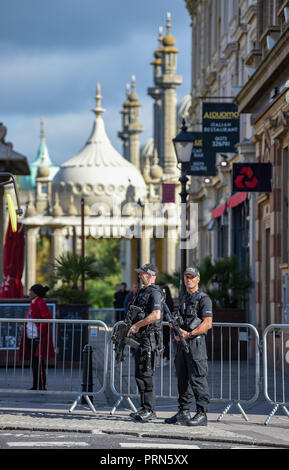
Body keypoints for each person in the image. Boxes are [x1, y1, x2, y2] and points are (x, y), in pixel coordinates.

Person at [165, 267, 212, 426]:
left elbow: (207, 323)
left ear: (198, 279)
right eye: (186, 277)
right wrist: (175, 326)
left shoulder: (204, 299)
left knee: (197, 378)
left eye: (192, 277)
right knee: (182, 379)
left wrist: (190, 335)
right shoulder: (184, 297)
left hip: (195, 344)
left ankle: (201, 414)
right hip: (181, 344)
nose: (189, 280)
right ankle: (183, 412)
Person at [126, 263, 164, 422]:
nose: (140, 276)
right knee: (139, 374)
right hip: (140, 339)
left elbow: (156, 315)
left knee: (147, 375)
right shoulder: (142, 292)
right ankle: (144, 408)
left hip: (149, 339)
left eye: (142, 274)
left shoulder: (155, 293)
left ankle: (150, 409)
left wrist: (137, 325)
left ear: (150, 275)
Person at [19, 284, 55, 390]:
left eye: (31, 291)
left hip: (37, 337)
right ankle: (36, 384)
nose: (29, 293)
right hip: (31, 336)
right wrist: (24, 325)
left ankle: (41, 385)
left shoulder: (40, 302)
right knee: (35, 362)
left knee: (38, 362)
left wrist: (40, 331)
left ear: (35, 293)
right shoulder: (34, 302)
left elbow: (47, 318)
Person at [161, 284, 174, 366]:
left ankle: (166, 357)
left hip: (165, 323)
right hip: (164, 323)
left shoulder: (167, 301)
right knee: (164, 341)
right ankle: (165, 357)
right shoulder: (166, 300)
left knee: (165, 341)